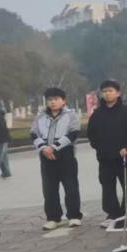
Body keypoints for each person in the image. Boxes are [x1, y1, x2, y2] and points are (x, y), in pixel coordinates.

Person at [86, 79, 127, 228]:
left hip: (124, 157)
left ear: (118, 93)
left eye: (110, 91)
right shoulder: (97, 113)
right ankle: (112, 214)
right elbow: (91, 133)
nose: (107, 94)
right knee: (107, 186)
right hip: (105, 157)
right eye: (105, 91)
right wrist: (98, 147)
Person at [31, 87, 81, 230]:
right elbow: (33, 134)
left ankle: (74, 216)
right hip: (46, 156)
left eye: (56, 99)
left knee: (71, 187)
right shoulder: (40, 117)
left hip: (66, 155)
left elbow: (74, 133)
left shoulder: (71, 115)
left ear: (63, 101)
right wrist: (43, 148)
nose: (52, 102)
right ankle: (53, 218)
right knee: (49, 190)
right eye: (50, 100)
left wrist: (54, 147)